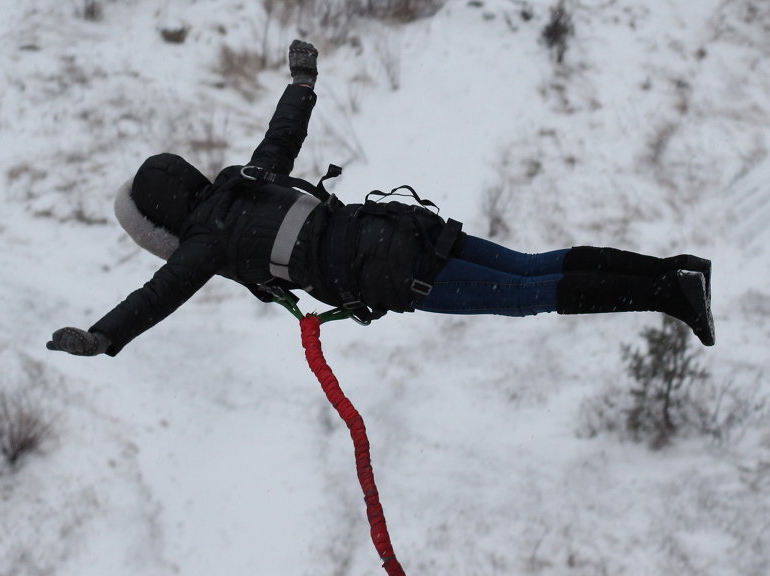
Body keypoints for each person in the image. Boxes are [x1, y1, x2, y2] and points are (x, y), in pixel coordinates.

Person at [46, 40, 713, 358]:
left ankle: (668, 291)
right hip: (397, 225)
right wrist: (303, 79)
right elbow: (283, 134)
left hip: (393, 271)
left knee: (528, 294)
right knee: (532, 267)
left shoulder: (205, 245)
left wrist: (104, 336)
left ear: (159, 224)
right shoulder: (247, 181)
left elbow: (155, 298)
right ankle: (672, 271)